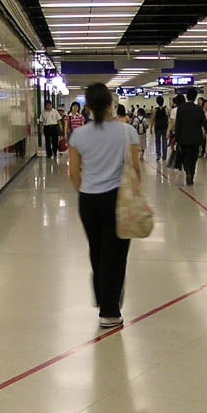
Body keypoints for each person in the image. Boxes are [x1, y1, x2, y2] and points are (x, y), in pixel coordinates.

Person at [67, 82, 141, 329]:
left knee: (97, 251)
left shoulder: (78, 135)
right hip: (117, 198)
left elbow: (74, 173)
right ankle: (109, 312)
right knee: (116, 255)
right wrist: (135, 193)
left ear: (87, 107)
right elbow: (136, 169)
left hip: (88, 200)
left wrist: (86, 191)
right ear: (111, 104)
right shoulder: (126, 132)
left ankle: (102, 296)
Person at [170, 87, 207, 186]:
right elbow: (205, 124)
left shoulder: (181, 109)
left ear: (187, 97)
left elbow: (178, 125)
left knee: (185, 156)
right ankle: (191, 173)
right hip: (196, 138)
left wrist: (176, 138)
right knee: (194, 157)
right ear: (196, 97)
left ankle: (187, 170)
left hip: (183, 138)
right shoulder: (199, 109)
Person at [151, 95, 169, 163]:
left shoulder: (156, 109)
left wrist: (151, 127)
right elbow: (169, 118)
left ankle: (158, 154)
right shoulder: (166, 109)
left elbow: (153, 119)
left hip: (158, 128)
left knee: (157, 141)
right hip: (165, 127)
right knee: (164, 141)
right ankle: (164, 156)